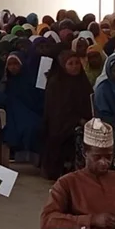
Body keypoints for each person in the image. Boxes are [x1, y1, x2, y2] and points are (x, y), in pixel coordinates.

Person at [40, 48, 94, 181]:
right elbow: (56, 111)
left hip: (83, 122)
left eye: (77, 63)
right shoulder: (56, 83)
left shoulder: (83, 82)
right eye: (70, 64)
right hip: (60, 124)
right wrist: (77, 120)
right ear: (63, 65)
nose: (75, 67)